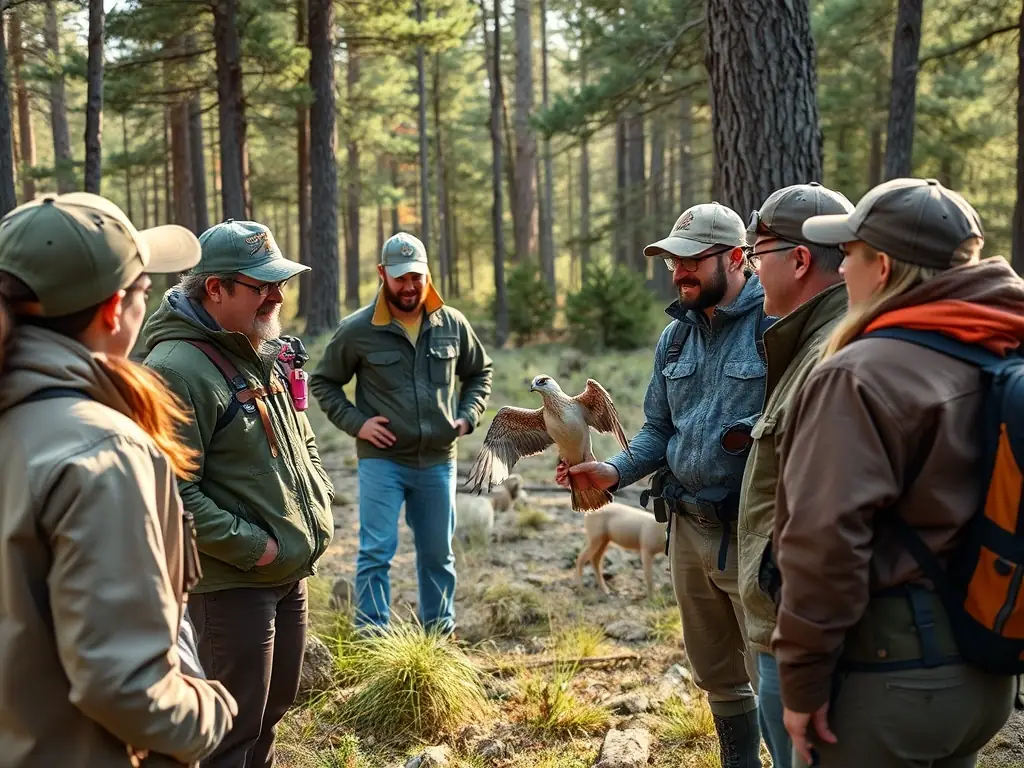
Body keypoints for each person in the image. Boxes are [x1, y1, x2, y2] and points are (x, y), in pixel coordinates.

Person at [771, 178, 1024, 767]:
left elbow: (822, 544)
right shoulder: (1004, 345)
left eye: (850, 254)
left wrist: (802, 684)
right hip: (986, 672)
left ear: (881, 266)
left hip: (888, 682)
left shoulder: (860, 374)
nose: (841, 271)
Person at [0, 193, 237, 767]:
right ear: (113, 310)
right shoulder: (103, 452)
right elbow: (127, 687)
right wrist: (210, 713)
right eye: (143, 292)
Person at [558, 202, 767, 767]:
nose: (680, 272)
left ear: (737, 256)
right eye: (674, 261)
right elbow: (658, 429)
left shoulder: (777, 326)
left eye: (693, 259)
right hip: (686, 531)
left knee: (773, 672)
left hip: (755, 536)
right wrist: (615, 472)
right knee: (718, 675)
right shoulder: (674, 338)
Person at [141, 218, 335, 768]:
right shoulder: (176, 370)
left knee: (270, 712)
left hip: (285, 573)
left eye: (280, 283)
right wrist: (257, 546)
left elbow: (302, 441)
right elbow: (170, 494)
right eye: (260, 284)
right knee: (229, 731)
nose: (276, 296)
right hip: (228, 584)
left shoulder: (259, 349)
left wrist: (316, 499)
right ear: (215, 289)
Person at [310, 232, 492, 637]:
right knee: (376, 552)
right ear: (382, 274)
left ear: (428, 274)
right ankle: (372, 636)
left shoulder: (452, 323)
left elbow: (480, 372)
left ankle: (439, 635)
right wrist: (358, 424)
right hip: (382, 462)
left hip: (438, 461)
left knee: (437, 554)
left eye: (417, 277)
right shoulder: (357, 329)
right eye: (400, 278)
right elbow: (323, 382)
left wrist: (467, 416)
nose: (409, 286)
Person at [736, 182, 854, 768]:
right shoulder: (810, 343)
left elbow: (826, 528)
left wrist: (805, 660)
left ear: (800, 259)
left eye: (757, 257)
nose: (753, 273)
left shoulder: (827, 358)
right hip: (788, 629)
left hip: (802, 640)